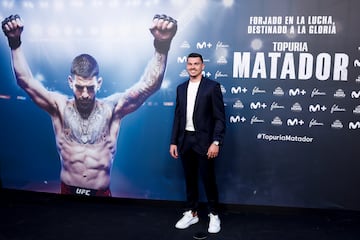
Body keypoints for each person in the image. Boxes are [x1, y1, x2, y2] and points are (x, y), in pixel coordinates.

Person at [2, 14, 177, 197]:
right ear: (71, 82)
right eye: (79, 87)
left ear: (99, 83)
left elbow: (149, 85)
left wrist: (162, 46)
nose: (85, 94)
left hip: (101, 193)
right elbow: (26, 81)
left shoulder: (112, 109)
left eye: (90, 88)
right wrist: (14, 42)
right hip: (68, 191)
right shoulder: (59, 107)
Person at [169, 53, 226, 233]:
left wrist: (216, 141)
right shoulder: (180, 88)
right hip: (185, 140)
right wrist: (173, 142)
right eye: (190, 63)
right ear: (186, 66)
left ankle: (214, 215)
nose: (192, 66)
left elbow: (219, 118)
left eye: (196, 64)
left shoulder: (212, 87)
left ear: (203, 66)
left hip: (205, 141)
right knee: (190, 179)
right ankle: (191, 213)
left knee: (208, 180)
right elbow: (178, 117)